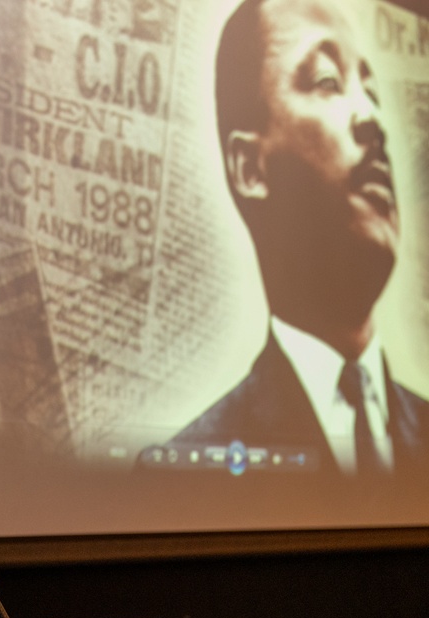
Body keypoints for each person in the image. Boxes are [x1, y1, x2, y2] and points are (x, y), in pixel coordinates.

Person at [140, 0, 429, 478]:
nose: (371, 119)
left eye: (372, 92)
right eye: (327, 82)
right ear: (250, 168)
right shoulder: (178, 475)